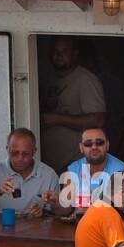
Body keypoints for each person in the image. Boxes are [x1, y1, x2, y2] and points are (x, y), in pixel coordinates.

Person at [40, 37, 106, 168]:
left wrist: (56, 119)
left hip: (76, 163)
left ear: (74, 54)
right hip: (48, 165)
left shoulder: (86, 80)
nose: (59, 56)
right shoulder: (47, 77)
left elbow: (98, 120)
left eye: (64, 51)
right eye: (55, 51)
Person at [0, 128, 60, 218]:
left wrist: (43, 212)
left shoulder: (49, 175)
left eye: (25, 153)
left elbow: (59, 213)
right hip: (3, 229)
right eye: (15, 153)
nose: (20, 158)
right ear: (7, 149)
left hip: (37, 230)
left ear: (34, 151)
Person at [59, 127, 124, 208]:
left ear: (107, 145)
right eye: (88, 144)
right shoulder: (74, 169)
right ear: (81, 147)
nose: (94, 147)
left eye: (99, 142)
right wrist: (55, 203)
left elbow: (123, 207)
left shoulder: (120, 170)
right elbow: (65, 208)